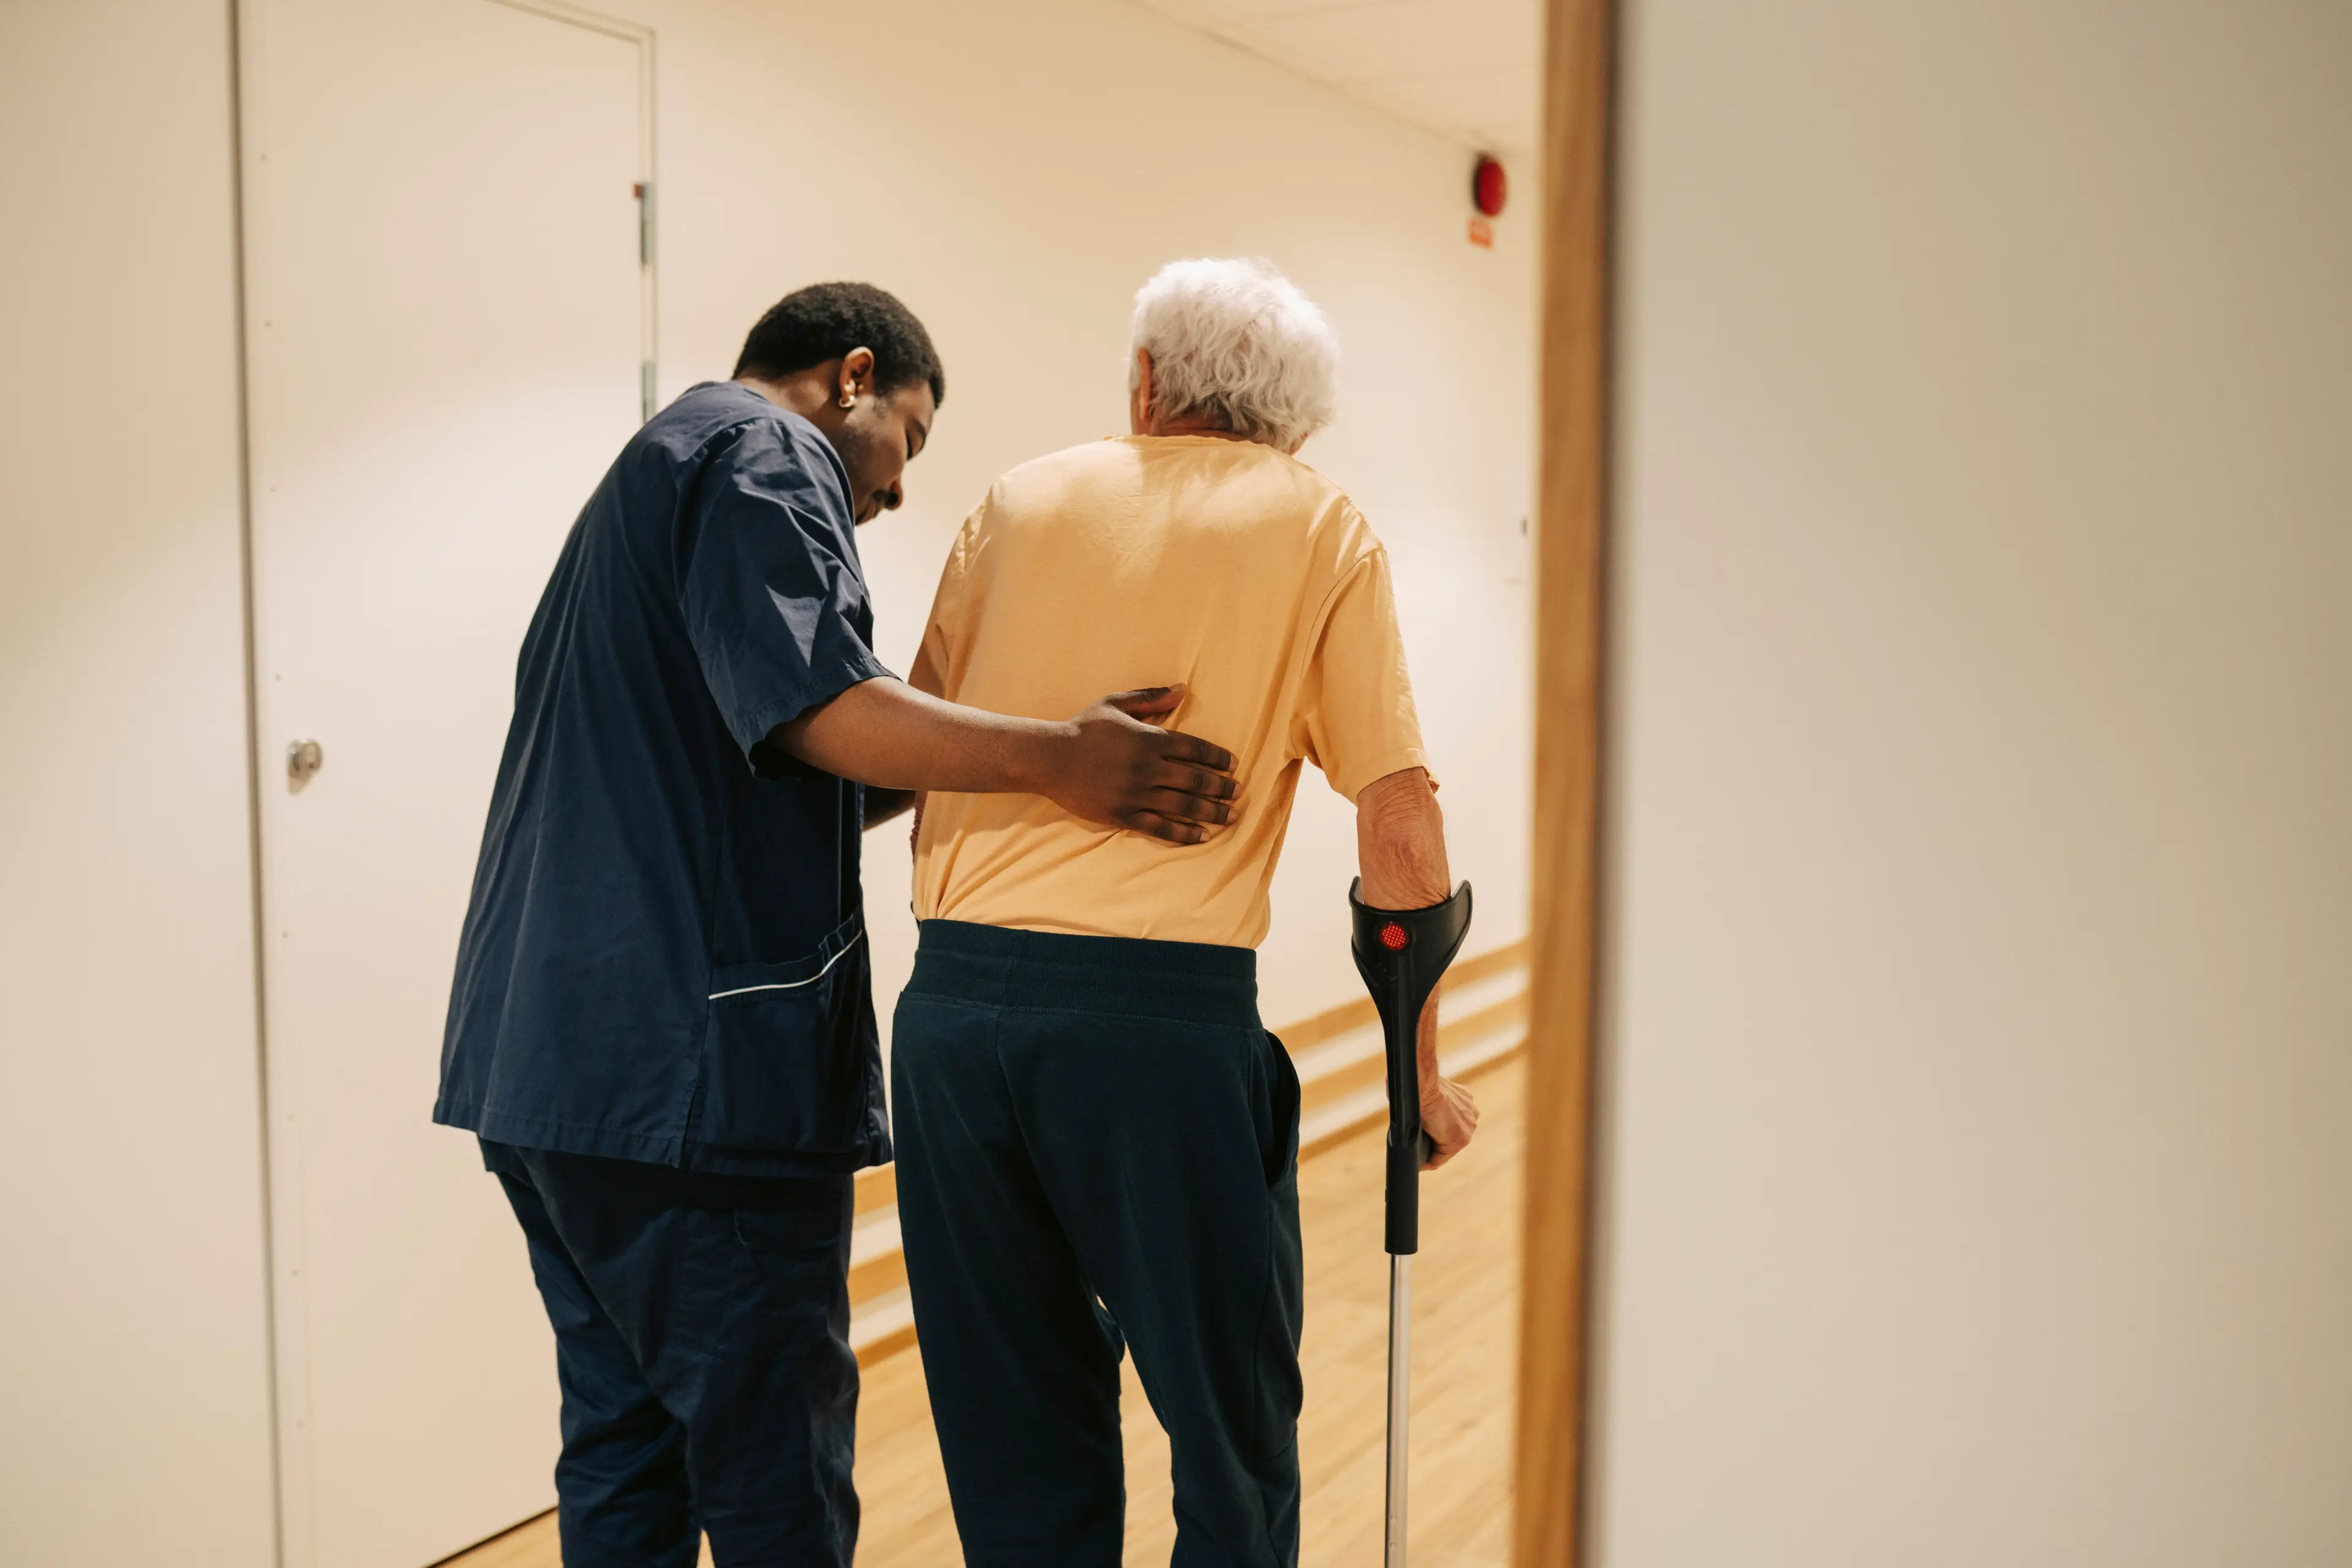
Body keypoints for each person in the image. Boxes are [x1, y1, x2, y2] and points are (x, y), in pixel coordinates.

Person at [432, 281, 1240, 1568]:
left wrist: (1018, 732)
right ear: (852, 377)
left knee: (625, 1453)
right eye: (910, 438)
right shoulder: (765, 452)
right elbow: (824, 707)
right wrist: (1059, 760)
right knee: (775, 1482)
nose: (904, 485)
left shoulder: (658, 468)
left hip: (549, 1078)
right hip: (689, 1094)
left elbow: (819, 757)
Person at [891, 257, 1480, 1567]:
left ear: (1147, 383)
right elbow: (1401, 830)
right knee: (1230, 1431)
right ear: (1297, 423)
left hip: (949, 1018)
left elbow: (917, 744)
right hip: (1158, 1030)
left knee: (1013, 1430)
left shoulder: (1016, 499)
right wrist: (1416, 1078)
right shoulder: (1319, 523)